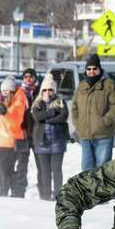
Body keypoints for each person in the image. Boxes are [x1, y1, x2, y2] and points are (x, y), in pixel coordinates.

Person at [71, 54, 115, 171]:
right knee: (86, 169)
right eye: (89, 69)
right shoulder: (81, 86)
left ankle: (101, 190)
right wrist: (78, 123)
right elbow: (74, 107)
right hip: (85, 135)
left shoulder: (109, 85)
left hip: (103, 135)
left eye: (95, 68)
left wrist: (105, 121)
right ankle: (89, 190)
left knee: (102, 169)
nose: (92, 71)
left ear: (99, 69)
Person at [28, 73, 69, 201]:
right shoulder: (37, 103)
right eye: (45, 89)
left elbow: (63, 116)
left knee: (56, 170)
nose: (47, 92)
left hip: (57, 141)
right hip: (41, 142)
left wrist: (49, 120)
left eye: (50, 89)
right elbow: (37, 117)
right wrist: (51, 113)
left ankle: (58, 195)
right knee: (44, 171)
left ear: (54, 90)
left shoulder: (60, 102)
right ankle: (45, 195)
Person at [0, 76, 28, 197]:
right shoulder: (5, 102)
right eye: (3, 91)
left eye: (7, 91)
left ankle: (15, 192)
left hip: (13, 141)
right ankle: (4, 190)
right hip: (3, 141)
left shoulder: (18, 102)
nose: (4, 94)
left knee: (11, 170)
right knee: (4, 169)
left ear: (12, 91)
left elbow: (16, 122)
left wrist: (5, 113)